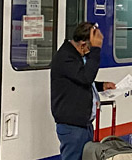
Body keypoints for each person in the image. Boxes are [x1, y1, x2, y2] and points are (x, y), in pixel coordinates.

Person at [50, 22, 116, 160]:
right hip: (72, 126)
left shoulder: (74, 56)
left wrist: (101, 86)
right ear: (83, 44)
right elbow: (85, 77)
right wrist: (96, 49)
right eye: (90, 48)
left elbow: (78, 80)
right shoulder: (66, 57)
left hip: (82, 124)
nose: (90, 52)